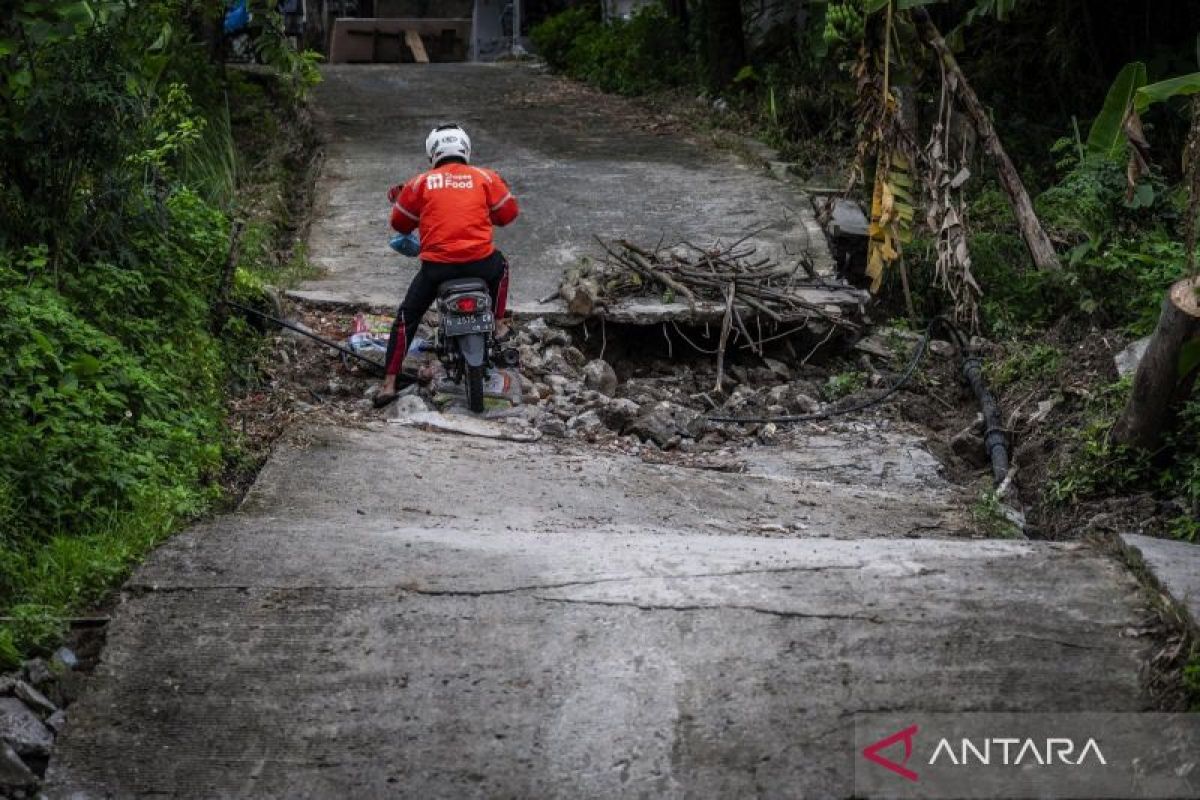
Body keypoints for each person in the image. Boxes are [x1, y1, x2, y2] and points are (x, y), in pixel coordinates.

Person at [375, 123, 520, 406]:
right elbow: (508, 214)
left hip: (437, 269)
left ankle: (389, 384)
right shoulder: (485, 177)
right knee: (502, 267)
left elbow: (400, 223)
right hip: (481, 264)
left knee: (407, 319)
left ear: (432, 152)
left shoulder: (419, 183)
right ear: (466, 149)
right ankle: (499, 324)